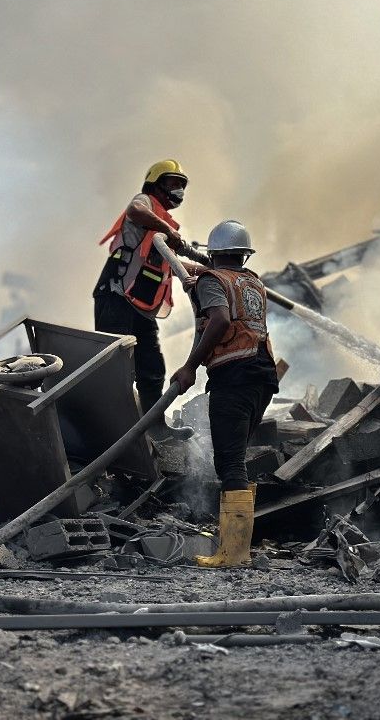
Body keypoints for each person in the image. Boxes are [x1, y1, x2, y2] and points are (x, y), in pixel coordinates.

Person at [169, 220, 278, 567]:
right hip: (263, 375)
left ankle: (233, 554)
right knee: (237, 457)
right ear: (243, 255)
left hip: (234, 376)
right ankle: (238, 547)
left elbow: (218, 320)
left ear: (214, 253)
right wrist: (195, 280)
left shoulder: (212, 281)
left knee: (229, 463)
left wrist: (189, 367)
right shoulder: (252, 282)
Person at [94, 159, 201, 439]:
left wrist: (210, 271)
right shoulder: (146, 204)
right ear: (156, 184)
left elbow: (175, 266)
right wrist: (168, 230)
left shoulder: (166, 228)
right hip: (116, 297)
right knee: (117, 367)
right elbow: (134, 210)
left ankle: (155, 427)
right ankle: (109, 429)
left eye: (181, 185)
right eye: (173, 183)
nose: (178, 190)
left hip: (141, 309)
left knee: (152, 367)